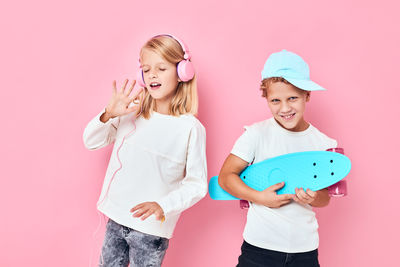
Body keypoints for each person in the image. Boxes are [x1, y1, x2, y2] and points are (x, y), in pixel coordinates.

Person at [83, 34, 207, 267]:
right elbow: (90, 141)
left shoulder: (190, 128)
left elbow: (196, 184)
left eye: (161, 68)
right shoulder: (130, 112)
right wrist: (109, 114)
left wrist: (164, 206)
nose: (152, 75)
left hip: (151, 230)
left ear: (183, 73)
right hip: (116, 219)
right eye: (146, 69)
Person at [218, 50, 337, 267]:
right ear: (266, 99)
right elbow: (226, 177)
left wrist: (312, 198)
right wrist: (259, 197)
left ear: (307, 95)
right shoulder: (256, 134)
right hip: (259, 248)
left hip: (305, 250)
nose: (285, 108)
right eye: (275, 100)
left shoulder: (322, 143)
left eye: (292, 98)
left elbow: (325, 198)